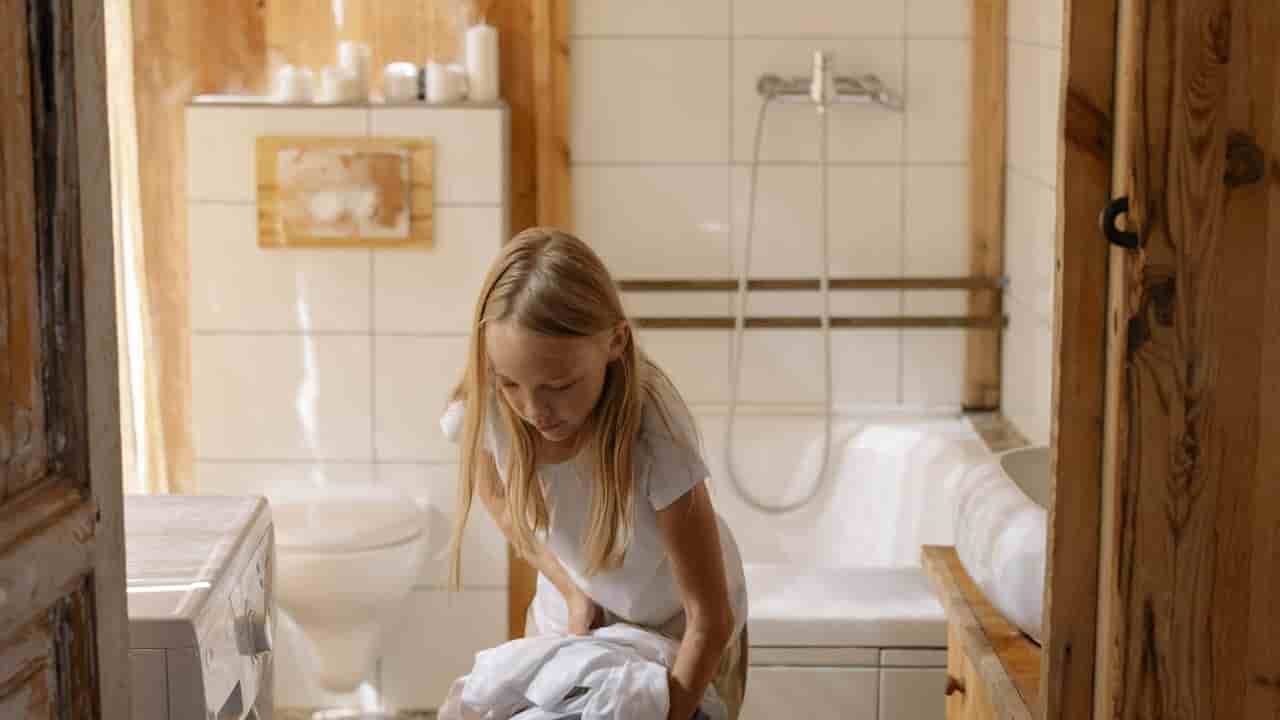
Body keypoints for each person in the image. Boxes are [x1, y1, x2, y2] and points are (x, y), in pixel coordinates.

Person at [442, 227, 749, 720]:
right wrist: (571, 591)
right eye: (510, 384)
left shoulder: (656, 436)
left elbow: (709, 621)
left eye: (560, 385)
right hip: (577, 603)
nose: (533, 408)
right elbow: (499, 499)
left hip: (678, 630)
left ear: (615, 342)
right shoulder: (487, 406)